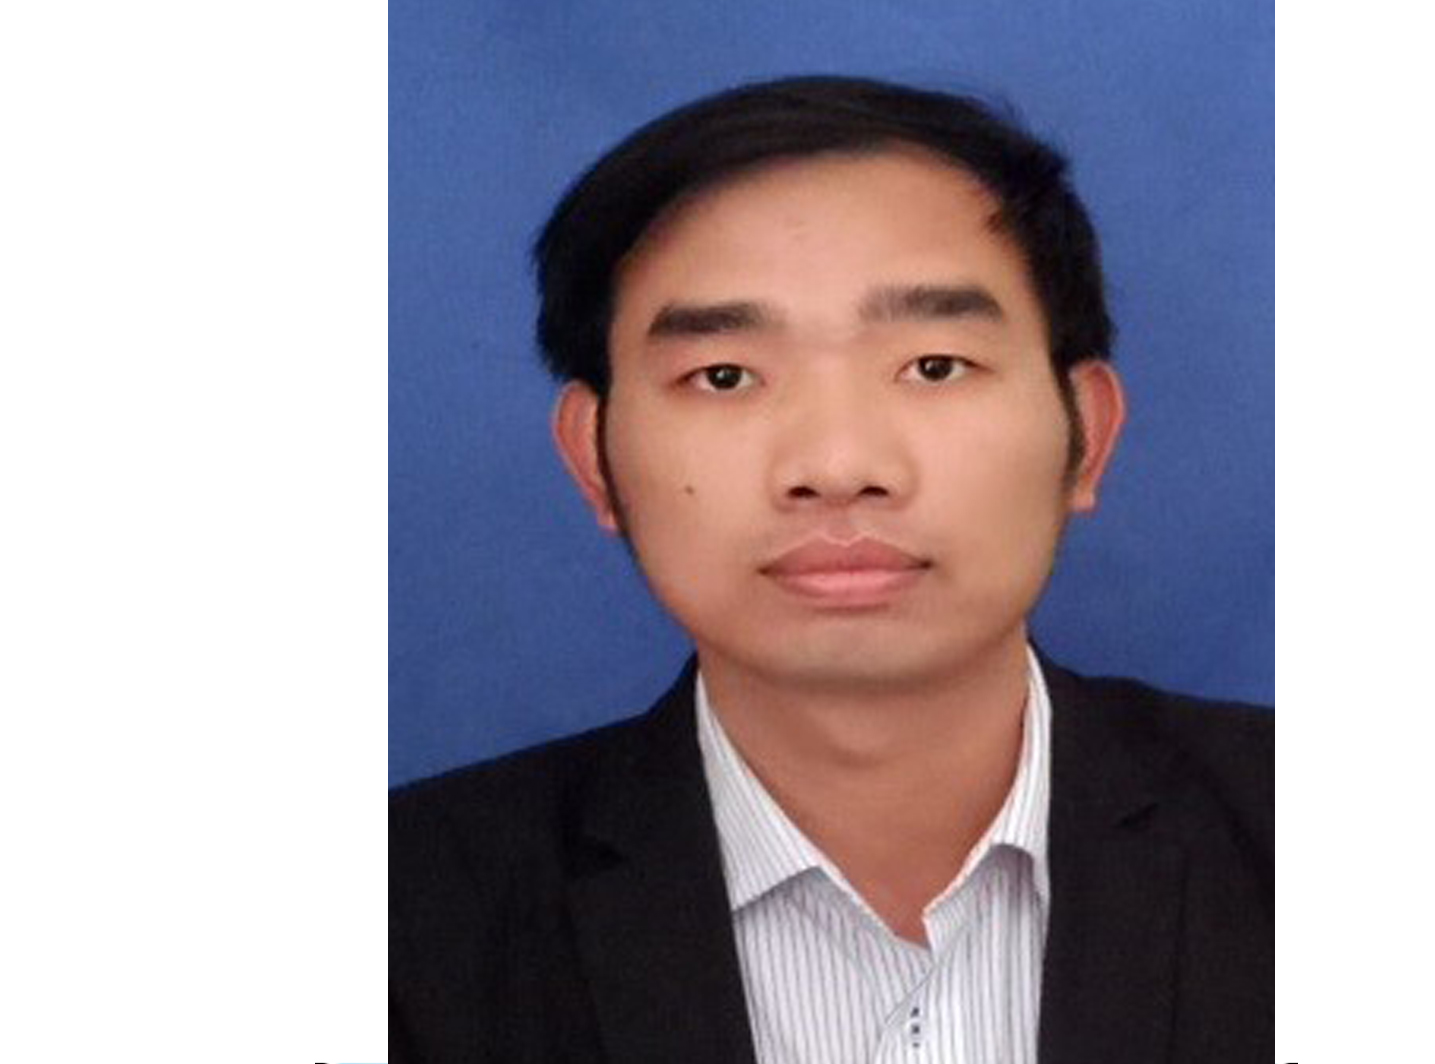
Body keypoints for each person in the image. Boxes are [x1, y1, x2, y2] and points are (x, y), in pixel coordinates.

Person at [389, 76, 1272, 1064]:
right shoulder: (401, 922)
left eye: (934, 365)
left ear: (1086, 436)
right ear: (594, 458)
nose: (838, 465)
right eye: (724, 376)